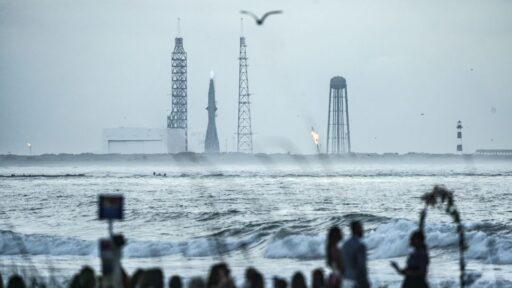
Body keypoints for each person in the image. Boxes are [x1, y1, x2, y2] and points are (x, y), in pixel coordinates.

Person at [341, 221, 370, 288]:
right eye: (361, 228)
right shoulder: (360, 246)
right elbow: (361, 266)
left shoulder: (345, 245)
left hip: (347, 280)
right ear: (357, 229)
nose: (363, 230)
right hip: (358, 281)